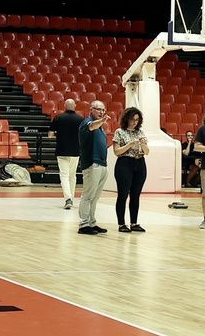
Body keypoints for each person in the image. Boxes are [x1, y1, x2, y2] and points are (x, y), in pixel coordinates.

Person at [112, 107, 149, 234]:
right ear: (127, 119)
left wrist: (143, 145)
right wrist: (129, 145)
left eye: (137, 120)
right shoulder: (119, 132)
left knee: (136, 195)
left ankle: (134, 222)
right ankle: (121, 223)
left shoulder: (141, 132)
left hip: (139, 162)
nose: (135, 122)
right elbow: (116, 152)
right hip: (124, 163)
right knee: (122, 194)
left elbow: (147, 152)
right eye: (132, 119)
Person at [76, 99, 109, 235]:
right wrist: (101, 121)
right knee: (88, 195)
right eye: (98, 109)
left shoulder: (100, 127)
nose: (101, 112)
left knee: (95, 196)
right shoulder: (87, 122)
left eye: (103, 110)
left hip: (102, 164)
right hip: (92, 164)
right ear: (91, 109)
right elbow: (92, 126)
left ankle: (92, 222)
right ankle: (83, 224)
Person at [52, 99, 85, 210]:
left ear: (65, 106)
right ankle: (71, 198)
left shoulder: (58, 117)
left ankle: (68, 198)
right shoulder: (81, 119)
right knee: (72, 175)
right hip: (75, 151)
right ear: (74, 106)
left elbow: (50, 134)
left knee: (64, 175)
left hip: (61, 151)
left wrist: (58, 134)